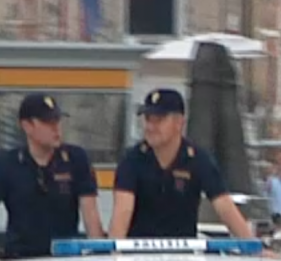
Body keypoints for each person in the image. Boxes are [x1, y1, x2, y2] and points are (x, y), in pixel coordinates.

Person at [0, 93, 104, 259]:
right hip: (21, 259)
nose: (56, 128)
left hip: (64, 259)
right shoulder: (7, 164)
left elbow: (90, 215)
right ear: (27, 126)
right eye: (48, 123)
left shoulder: (76, 159)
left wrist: (101, 258)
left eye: (57, 121)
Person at [109, 89, 254, 240]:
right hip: (136, 257)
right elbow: (122, 212)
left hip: (182, 258)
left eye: (159, 120)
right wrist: (114, 256)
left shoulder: (197, 159)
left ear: (179, 123)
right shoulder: (132, 160)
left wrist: (253, 247)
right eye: (148, 119)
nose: (150, 127)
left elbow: (224, 206)